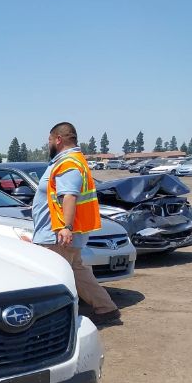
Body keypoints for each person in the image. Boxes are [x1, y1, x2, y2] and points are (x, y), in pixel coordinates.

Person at [32, 122, 121, 325]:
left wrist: (66, 227)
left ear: (58, 139)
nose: (48, 146)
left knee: (53, 277)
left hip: (57, 234)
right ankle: (106, 308)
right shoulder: (71, 161)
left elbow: (69, 196)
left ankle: (54, 319)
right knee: (77, 271)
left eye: (49, 141)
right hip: (60, 233)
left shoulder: (68, 163)